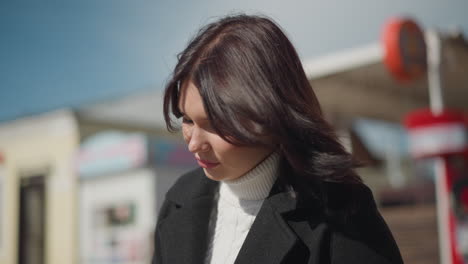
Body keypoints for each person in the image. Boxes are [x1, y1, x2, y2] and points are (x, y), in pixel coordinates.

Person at [152, 14, 403, 264]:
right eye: (187, 120)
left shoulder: (341, 211)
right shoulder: (181, 198)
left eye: (216, 124)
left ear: (270, 112)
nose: (194, 143)